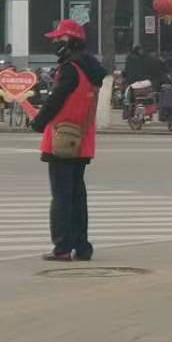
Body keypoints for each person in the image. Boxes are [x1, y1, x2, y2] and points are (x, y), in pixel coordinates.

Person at [30, 18, 107, 262]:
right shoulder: (91, 69)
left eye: (59, 39)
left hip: (62, 137)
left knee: (62, 196)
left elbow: (57, 99)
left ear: (69, 41)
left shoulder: (71, 68)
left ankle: (62, 247)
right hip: (82, 137)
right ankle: (82, 246)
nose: (55, 43)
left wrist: (39, 121)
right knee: (77, 195)